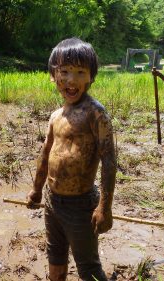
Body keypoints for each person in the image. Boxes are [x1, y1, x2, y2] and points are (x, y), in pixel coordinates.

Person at [26, 37, 116, 281]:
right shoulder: (56, 115)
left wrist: (104, 207)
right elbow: (45, 154)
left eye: (80, 72)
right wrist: (36, 190)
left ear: (91, 77)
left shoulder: (95, 113)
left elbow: (109, 160)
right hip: (52, 200)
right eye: (64, 71)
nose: (71, 80)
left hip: (81, 205)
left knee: (88, 265)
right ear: (53, 76)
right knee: (55, 255)